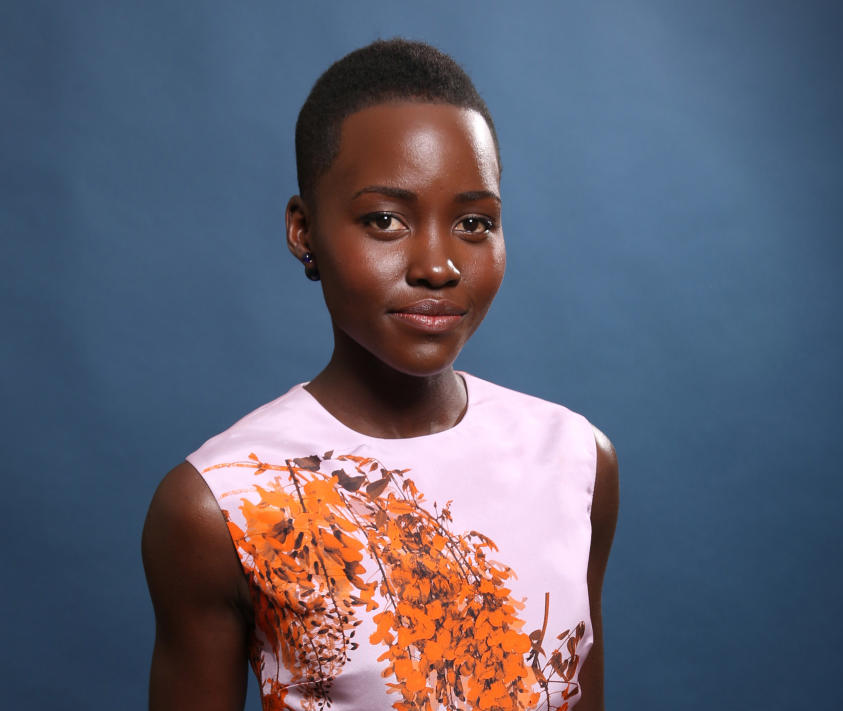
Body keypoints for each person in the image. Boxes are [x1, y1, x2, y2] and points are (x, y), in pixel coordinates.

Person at [142, 38, 618, 711]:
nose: (437, 264)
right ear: (304, 231)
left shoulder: (575, 459)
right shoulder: (218, 505)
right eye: (386, 220)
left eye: (474, 222)